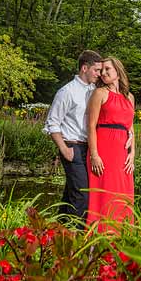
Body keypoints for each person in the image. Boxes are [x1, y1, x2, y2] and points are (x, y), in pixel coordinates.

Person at [43, 50, 103, 224]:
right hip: (72, 146)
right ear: (84, 68)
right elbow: (52, 123)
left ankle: (57, 233)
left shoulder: (94, 90)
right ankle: (75, 236)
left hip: (88, 147)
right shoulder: (67, 92)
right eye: (96, 70)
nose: (99, 74)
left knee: (71, 193)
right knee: (82, 194)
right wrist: (64, 149)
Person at [86, 55, 135, 228]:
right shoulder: (99, 93)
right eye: (102, 70)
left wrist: (132, 155)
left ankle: (123, 234)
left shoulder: (129, 97)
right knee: (104, 194)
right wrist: (94, 155)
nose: (103, 73)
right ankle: (99, 235)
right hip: (103, 150)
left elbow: (131, 128)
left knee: (123, 194)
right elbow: (91, 126)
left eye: (108, 69)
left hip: (122, 154)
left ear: (118, 73)